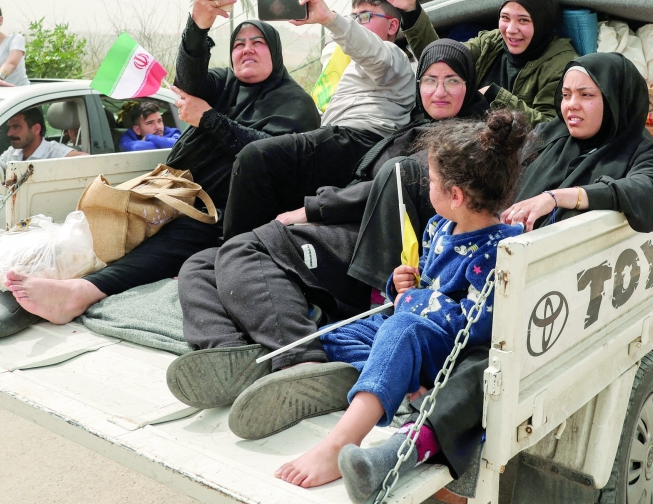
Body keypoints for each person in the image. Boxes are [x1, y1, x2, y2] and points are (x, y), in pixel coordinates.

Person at [333, 53, 653, 499]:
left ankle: (400, 451)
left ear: (616, 99)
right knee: (401, 315)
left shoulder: (645, 153)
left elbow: (650, 196)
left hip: (549, 298)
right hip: (484, 267)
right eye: (567, 94)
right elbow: (487, 168)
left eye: (587, 95)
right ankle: (356, 377)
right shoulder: (550, 136)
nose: (572, 105)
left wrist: (560, 197)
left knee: (486, 367)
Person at [0, 0, 322, 323]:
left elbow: (265, 157)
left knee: (156, 246)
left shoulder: (294, 103)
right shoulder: (224, 85)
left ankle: (79, 293)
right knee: (88, 227)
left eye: (257, 43)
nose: (246, 50)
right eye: (238, 43)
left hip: (220, 214)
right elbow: (189, 79)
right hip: (165, 191)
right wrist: (198, 24)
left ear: (275, 51)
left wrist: (209, 120)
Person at [168, 40, 490, 411]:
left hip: (377, 252)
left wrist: (312, 210)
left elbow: (394, 181)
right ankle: (229, 353)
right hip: (348, 231)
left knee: (246, 249)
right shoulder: (411, 125)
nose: (439, 91)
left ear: (470, 84)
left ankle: (303, 359)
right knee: (202, 262)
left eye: (452, 81)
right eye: (430, 80)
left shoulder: (465, 141)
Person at [257, 110, 527, 492]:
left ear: (456, 195)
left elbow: (476, 323)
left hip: (445, 350)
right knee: (341, 332)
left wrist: (416, 302)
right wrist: (400, 286)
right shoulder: (438, 225)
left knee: (401, 330)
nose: (426, 187)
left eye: (431, 181)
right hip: (415, 331)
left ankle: (340, 442)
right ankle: (382, 384)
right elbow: (428, 281)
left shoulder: (496, 249)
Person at [220, 0, 416, 239]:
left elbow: (371, 50)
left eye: (365, 17)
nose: (356, 23)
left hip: (359, 140)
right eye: (353, 16)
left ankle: (231, 253)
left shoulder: (393, 55)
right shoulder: (348, 64)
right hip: (342, 140)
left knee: (256, 157)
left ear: (392, 27)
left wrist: (331, 19)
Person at [377, 0, 578, 127]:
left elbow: (549, 128)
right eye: (505, 18)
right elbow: (443, 60)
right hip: (462, 137)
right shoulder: (491, 42)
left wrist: (495, 95)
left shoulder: (562, 65)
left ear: (543, 22)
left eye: (523, 20)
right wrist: (411, 10)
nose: (511, 29)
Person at [0, 107, 86, 171]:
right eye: (9, 128)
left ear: (36, 129)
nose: (9, 133)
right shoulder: (12, 153)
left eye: (16, 127)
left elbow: (86, 160)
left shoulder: (53, 151)